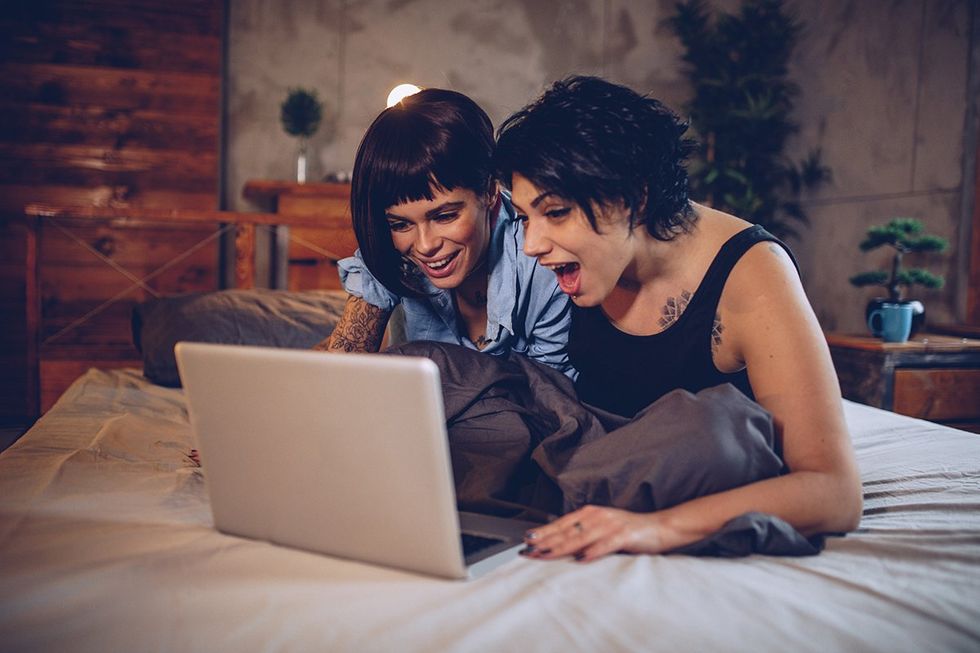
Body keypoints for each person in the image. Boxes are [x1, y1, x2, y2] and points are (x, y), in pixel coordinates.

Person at [493, 76, 862, 560]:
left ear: (634, 198)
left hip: (679, 466)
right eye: (523, 216)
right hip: (587, 451)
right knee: (455, 374)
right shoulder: (571, 261)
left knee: (709, 426)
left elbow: (833, 491)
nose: (531, 244)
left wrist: (657, 527)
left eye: (556, 212)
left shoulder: (751, 272)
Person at [315, 88, 573, 375]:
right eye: (401, 224)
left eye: (445, 216)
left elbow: (551, 401)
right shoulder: (390, 248)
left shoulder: (543, 262)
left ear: (490, 191)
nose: (425, 246)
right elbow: (341, 363)